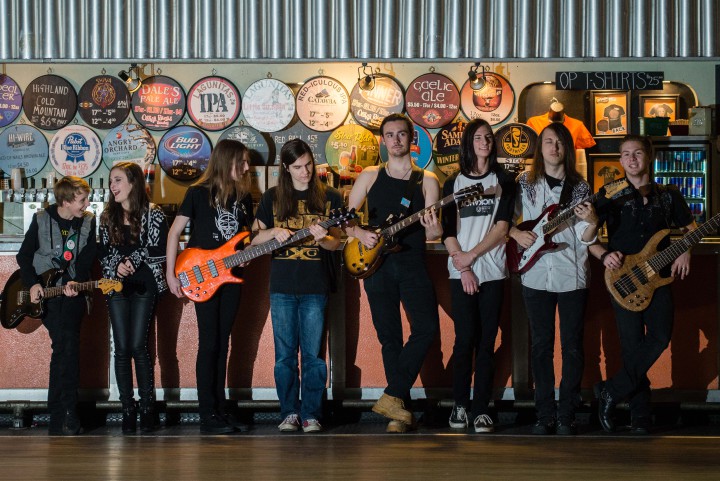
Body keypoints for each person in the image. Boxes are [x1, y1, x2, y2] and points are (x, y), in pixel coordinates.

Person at [591, 135, 696, 435]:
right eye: (626, 154)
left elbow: (691, 229)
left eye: (637, 153)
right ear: (621, 161)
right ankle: (640, 416)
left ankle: (611, 390)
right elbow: (587, 238)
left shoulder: (669, 195)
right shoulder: (609, 195)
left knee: (660, 337)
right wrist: (604, 254)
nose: (632, 159)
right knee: (632, 346)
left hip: (659, 277)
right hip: (623, 279)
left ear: (648, 157)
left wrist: (686, 248)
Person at [345, 113, 442, 433]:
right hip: (377, 265)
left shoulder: (427, 180)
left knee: (426, 329)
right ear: (383, 140)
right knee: (390, 338)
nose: (396, 140)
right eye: (390, 135)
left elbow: (432, 234)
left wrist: (435, 227)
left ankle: (392, 395)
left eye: (402, 134)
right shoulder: (370, 175)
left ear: (411, 138)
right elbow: (345, 220)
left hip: (413, 262)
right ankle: (397, 414)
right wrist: (359, 235)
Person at [508, 123, 599, 435]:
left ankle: (567, 413)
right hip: (533, 273)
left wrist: (593, 222)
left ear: (568, 148)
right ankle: (544, 414)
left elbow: (586, 238)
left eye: (560, 143)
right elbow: (505, 220)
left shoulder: (582, 188)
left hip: (572, 273)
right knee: (541, 345)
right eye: (548, 142)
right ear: (540, 147)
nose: (554, 148)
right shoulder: (524, 182)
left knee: (572, 346)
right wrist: (515, 232)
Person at [251, 139, 343, 433]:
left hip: (316, 286)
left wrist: (321, 238)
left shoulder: (329, 197)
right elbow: (254, 240)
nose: (305, 172)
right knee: (285, 356)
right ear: (286, 169)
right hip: (281, 288)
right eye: (299, 167)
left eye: (309, 165)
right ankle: (289, 412)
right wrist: (274, 231)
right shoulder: (272, 198)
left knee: (314, 357)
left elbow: (336, 242)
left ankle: (311, 414)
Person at [166, 139, 253, 435]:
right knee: (210, 343)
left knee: (223, 343)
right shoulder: (198, 193)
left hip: (230, 277)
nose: (246, 167)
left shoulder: (244, 198)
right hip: (202, 275)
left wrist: (249, 253)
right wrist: (170, 273)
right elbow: (174, 233)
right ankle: (207, 414)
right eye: (241, 161)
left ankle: (219, 408)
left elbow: (244, 238)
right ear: (225, 161)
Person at [442, 119, 516, 433]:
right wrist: (465, 266)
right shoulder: (452, 183)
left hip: (493, 271)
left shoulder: (504, 180)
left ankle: (481, 407)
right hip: (461, 272)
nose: (484, 141)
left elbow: (502, 227)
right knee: (464, 341)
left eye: (488, 137)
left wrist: (472, 259)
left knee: (486, 342)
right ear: (468, 143)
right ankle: (460, 405)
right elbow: (447, 231)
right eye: (478, 137)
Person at [16, 176, 97, 435]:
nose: (87, 203)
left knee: (66, 346)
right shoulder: (41, 219)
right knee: (64, 346)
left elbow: (88, 257)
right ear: (65, 200)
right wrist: (32, 284)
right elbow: (24, 255)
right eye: (81, 199)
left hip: (73, 294)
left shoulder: (89, 222)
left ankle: (62, 413)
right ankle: (65, 413)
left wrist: (77, 281)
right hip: (47, 293)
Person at [98, 162, 168, 434]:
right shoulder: (106, 216)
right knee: (121, 348)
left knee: (139, 346)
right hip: (114, 285)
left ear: (133, 183)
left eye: (117, 180)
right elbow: (101, 251)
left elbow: (160, 250)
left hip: (144, 285)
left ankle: (147, 408)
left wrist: (132, 259)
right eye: (111, 181)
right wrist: (116, 265)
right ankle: (127, 408)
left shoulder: (154, 214)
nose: (112, 186)